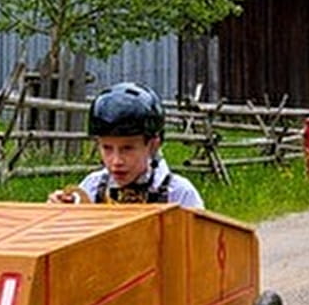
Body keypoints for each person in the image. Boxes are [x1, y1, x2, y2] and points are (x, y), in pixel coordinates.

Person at [48, 82, 203, 209]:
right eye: (107, 148)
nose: (116, 161)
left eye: (127, 149)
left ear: (153, 145)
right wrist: (58, 212)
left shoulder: (178, 194)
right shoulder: (93, 188)